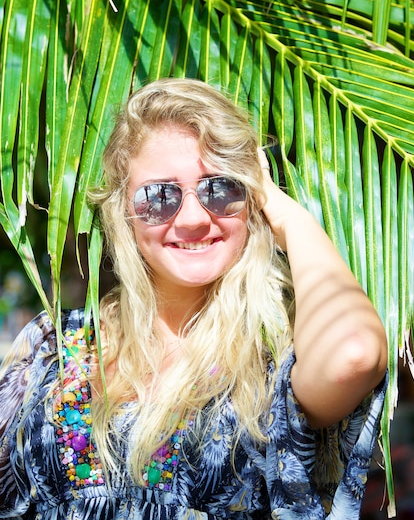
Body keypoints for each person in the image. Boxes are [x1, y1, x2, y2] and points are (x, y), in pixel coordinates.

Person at [0, 78, 388, 519]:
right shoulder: (55, 344)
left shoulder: (274, 357)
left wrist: (286, 215)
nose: (191, 219)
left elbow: (355, 354)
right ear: (123, 213)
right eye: (159, 196)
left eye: (219, 189)